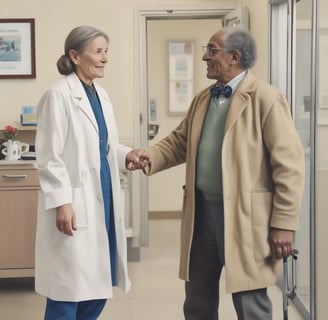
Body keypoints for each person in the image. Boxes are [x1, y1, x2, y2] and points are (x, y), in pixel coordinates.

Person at [133, 27, 305, 319]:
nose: (205, 57)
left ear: (234, 57)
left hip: (245, 217)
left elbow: (289, 166)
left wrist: (284, 223)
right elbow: (179, 142)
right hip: (202, 213)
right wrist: (149, 155)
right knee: (197, 299)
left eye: (211, 50)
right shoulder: (203, 99)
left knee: (251, 302)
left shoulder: (266, 98)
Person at [34, 26, 143, 320]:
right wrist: (62, 202)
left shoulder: (100, 95)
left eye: (106, 51)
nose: (105, 58)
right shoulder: (58, 95)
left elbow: (103, 145)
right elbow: (48, 156)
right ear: (75, 55)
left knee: (97, 289)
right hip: (74, 203)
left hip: (103, 201)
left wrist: (125, 154)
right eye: (98, 52)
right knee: (67, 292)